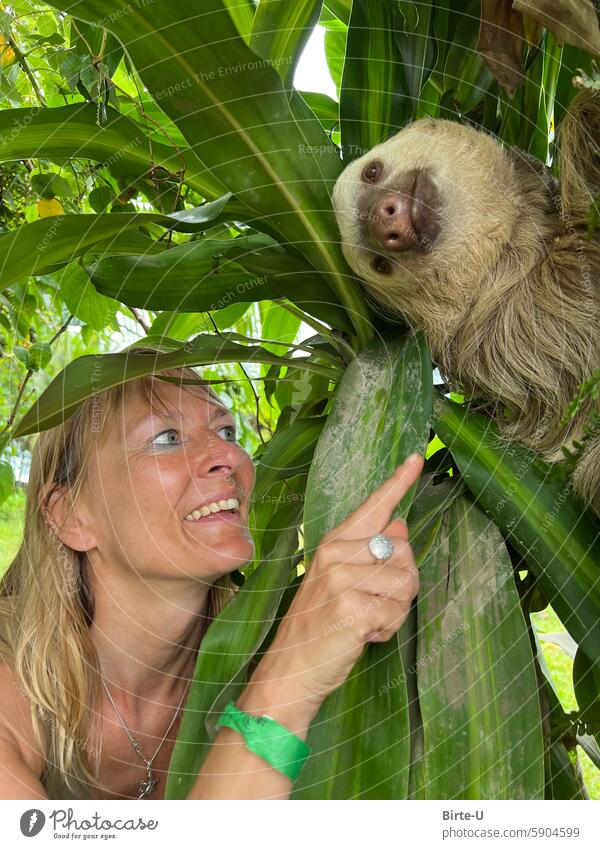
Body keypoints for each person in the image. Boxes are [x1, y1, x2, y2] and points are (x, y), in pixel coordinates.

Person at [0, 349, 424, 800]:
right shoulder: (15, 681)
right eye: (166, 438)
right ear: (71, 517)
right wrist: (293, 672)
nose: (228, 455)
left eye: (225, 430)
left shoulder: (252, 652)